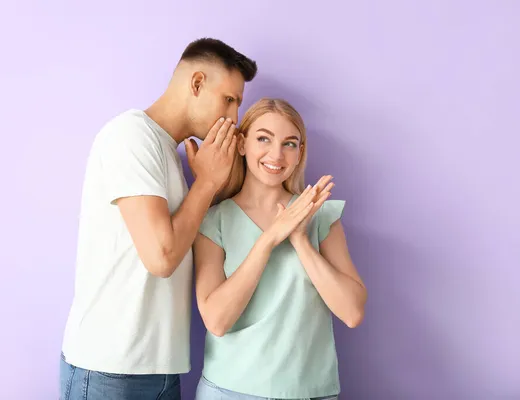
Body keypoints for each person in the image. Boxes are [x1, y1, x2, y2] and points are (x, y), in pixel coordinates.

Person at [59, 38, 257, 400]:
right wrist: (208, 183)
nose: (233, 118)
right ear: (196, 83)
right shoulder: (131, 135)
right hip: (111, 370)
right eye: (229, 99)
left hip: (160, 369)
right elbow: (161, 257)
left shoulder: (168, 152)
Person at [193, 98, 367, 400]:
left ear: (300, 153)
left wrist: (300, 240)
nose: (277, 154)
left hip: (310, 392)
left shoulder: (321, 216)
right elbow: (217, 321)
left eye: (290, 143)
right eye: (264, 138)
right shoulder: (213, 220)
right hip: (229, 390)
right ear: (242, 143)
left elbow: (351, 312)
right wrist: (270, 237)